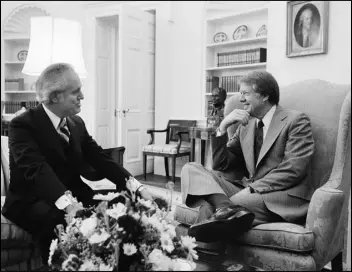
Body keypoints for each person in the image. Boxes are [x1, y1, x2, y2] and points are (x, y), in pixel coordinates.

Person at [1, 63, 153, 263]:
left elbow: (100, 158)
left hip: (74, 195)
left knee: (119, 207)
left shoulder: (76, 123)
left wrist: (136, 186)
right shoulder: (22, 125)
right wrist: (70, 206)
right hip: (31, 201)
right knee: (60, 222)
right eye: (76, 92)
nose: (82, 96)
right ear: (55, 96)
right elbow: (36, 169)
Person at [182, 71, 315, 242]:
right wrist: (222, 127)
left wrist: (251, 189)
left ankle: (197, 252)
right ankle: (226, 208)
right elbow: (222, 164)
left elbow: (293, 169)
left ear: (265, 95)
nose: (241, 99)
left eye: (245, 93)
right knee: (191, 168)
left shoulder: (295, 121)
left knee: (208, 203)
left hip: (279, 197)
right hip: (248, 190)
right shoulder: (246, 125)